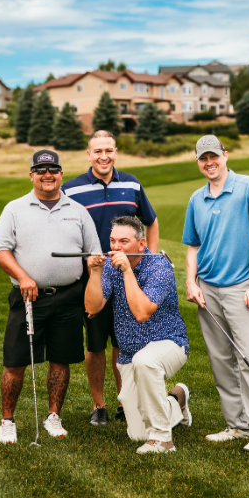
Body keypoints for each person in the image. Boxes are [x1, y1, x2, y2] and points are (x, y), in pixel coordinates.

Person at [0, 149, 101, 444]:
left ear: (61, 174)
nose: (47, 175)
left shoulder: (78, 211)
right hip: (28, 298)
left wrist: (94, 272)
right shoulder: (14, 209)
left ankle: (54, 416)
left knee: (60, 360)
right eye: (41, 171)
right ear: (32, 175)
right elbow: (0, 250)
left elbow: (93, 254)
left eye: (53, 169)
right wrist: (24, 277)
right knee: (15, 361)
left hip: (68, 297)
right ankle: (7, 421)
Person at [182, 135, 249, 453]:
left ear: (225, 155)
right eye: (202, 158)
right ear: (197, 162)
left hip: (240, 289)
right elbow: (193, 246)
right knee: (221, 361)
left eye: (214, 156)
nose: (209, 162)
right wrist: (191, 282)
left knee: (248, 358)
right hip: (207, 291)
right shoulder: (196, 199)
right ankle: (236, 425)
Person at [62, 130, 159, 427]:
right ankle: (98, 404)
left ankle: (123, 400)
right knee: (95, 344)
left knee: (123, 341)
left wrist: (148, 262)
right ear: (88, 155)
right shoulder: (71, 190)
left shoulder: (131, 183)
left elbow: (151, 223)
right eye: (97, 151)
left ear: (116, 152)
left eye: (109, 150)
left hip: (127, 276)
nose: (103, 156)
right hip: (93, 279)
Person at [85, 216, 191, 454]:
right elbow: (92, 308)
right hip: (129, 354)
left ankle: (163, 440)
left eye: (124, 241)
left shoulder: (159, 266)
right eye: (112, 241)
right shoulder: (110, 267)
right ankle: (177, 400)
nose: (116, 248)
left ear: (141, 245)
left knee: (146, 361)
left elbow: (142, 312)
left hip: (168, 343)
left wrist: (126, 272)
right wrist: (95, 272)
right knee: (136, 434)